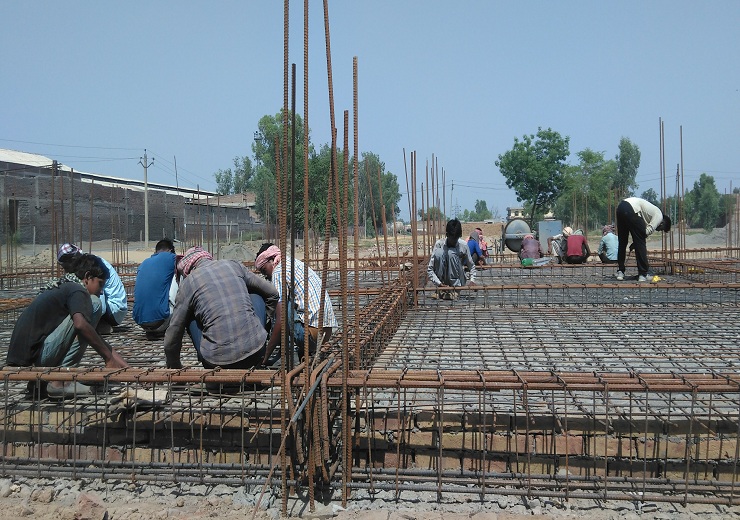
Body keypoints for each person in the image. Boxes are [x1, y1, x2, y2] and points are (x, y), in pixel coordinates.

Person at [6, 254, 129, 397]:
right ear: (88, 277)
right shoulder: (77, 290)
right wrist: (108, 358)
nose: (101, 291)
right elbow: (80, 325)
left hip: (32, 357)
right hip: (37, 357)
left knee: (88, 330)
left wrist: (126, 368)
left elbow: (95, 337)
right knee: (95, 304)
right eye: (100, 284)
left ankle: (41, 383)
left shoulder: (66, 286)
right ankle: (61, 382)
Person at [163, 246, 279, 373]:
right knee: (256, 294)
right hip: (257, 351)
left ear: (188, 269)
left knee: (187, 315)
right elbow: (272, 293)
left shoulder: (188, 282)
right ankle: (255, 336)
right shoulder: (233, 265)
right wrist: (264, 325)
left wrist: (174, 366)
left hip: (216, 362)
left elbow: (174, 331)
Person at [254, 243, 338, 364]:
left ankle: (283, 350)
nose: (265, 276)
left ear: (272, 259)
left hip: (311, 336)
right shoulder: (292, 263)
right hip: (326, 333)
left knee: (281, 307)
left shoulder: (278, 271)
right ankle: (301, 355)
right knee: (287, 304)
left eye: (264, 270)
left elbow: (281, 320)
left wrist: (266, 355)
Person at [58, 243, 127, 335]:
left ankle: (96, 326)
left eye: (66, 267)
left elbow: (100, 305)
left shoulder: (95, 266)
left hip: (115, 310)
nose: (66, 271)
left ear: (73, 260)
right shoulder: (86, 264)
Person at [616, 197, 672, 282]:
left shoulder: (651, 213)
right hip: (632, 209)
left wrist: (636, 242)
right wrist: (637, 242)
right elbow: (646, 232)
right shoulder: (659, 216)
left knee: (622, 242)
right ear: (663, 223)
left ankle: (620, 272)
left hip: (621, 208)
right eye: (661, 229)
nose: (658, 230)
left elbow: (640, 234)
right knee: (641, 244)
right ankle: (643, 274)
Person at [133, 238, 179, 340]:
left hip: (142, 323)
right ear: (170, 250)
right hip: (162, 322)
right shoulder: (172, 258)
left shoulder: (144, 263)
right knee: (179, 274)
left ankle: (153, 331)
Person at [427, 218, 477, 300]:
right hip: (441, 283)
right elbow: (430, 269)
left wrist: (472, 280)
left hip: (457, 281)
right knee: (439, 253)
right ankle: (441, 290)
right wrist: (439, 284)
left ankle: (455, 290)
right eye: (452, 238)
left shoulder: (463, 245)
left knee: (451, 253)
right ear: (447, 235)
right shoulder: (439, 244)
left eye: (456, 239)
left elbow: (471, 265)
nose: (454, 241)